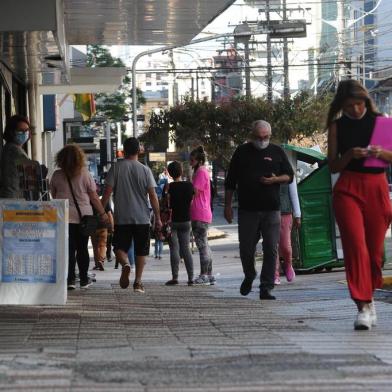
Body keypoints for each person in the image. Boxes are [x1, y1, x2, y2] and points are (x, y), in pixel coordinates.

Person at [327, 79, 392, 330]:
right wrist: (348, 156)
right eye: (349, 106)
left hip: (376, 186)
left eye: (358, 103)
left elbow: (390, 157)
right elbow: (332, 165)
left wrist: (380, 153)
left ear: (366, 100)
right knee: (355, 247)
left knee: (374, 254)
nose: (355, 109)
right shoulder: (336, 126)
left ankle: (370, 295)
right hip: (348, 188)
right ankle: (362, 306)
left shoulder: (381, 121)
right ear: (341, 106)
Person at [224, 120, 293, 300]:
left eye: (265, 137)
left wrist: (275, 180)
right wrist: (227, 206)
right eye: (258, 137)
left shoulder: (277, 151)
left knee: (271, 248)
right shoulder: (241, 152)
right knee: (246, 249)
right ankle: (249, 274)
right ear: (251, 135)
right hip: (248, 210)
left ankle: (266, 287)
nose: (262, 141)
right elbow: (230, 181)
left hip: (271, 210)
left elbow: (289, 176)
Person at [101, 137, 162, 294]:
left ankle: (126, 264)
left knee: (118, 248)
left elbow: (107, 192)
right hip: (142, 217)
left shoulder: (116, 168)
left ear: (124, 150)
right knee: (141, 251)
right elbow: (153, 196)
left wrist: (101, 212)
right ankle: (138, 282)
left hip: (122, 218)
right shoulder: (145, 170)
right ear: (139, 151)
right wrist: (158, 218)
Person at [50, 144, 108, 290]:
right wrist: (102, 213)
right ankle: (83, 279)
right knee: (82, 248)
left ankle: (70, 280)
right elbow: (94, 197)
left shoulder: (57, 175)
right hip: (84, 218)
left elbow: (53, 195)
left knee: (68, 249)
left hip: (64, 217)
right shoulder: (85, 174)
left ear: (61, 159)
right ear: (79, 158)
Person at [165, 161, 195, 286]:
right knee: (186, 248)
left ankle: (175, 277)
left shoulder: (169, 187)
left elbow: (166, 204)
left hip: (173, 221)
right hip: (186, 220)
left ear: (170, 174)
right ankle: (191, 278)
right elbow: (192, 201)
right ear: (181, 171)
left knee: (174, 249)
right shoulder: (189, 186)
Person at [189, 146, 214, 285]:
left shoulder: (200, 172)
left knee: (202, 245)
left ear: (198, 160)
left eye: (192, 160)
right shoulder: (203, 171)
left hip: (199, 212)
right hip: (203, 212)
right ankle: (209, 275)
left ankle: (204, 274)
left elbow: (195, 192)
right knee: (205, 244)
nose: (190, 162)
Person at [0, 115, 38, 199]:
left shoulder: (8, 147)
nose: (24, 133)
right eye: (20, 131)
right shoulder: (15, 150)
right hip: (13, 198)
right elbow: (30, 176)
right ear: (11, 132)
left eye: (27, 130)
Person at [274, 180, 301, 285]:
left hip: (285, 212)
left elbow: (294, 195)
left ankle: (288, 265)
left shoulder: (287, 171)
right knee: (272, 245)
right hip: (269, 213)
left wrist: (297, 214)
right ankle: (275, 274)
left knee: (285, 245)